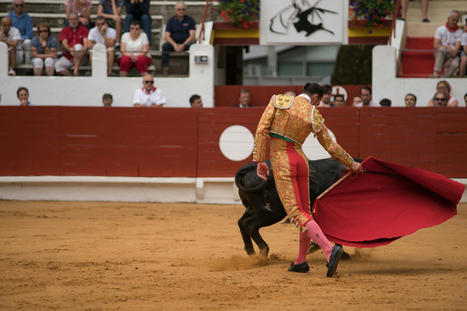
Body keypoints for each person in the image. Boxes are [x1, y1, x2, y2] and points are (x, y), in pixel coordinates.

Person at [253, 82, 363, 277]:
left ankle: (329, 250)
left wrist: (261, 160)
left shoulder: (279, 101)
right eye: (319, 101)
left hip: (282, 159)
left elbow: (262, 130)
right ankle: (300, 261)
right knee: (305, 211)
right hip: (301, 161)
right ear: (314, 98)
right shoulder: (314, 114)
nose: (318, 104)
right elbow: (330, 146)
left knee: (296, 213)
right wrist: (351, 162)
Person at [161, 1, 196, 75]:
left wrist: (183, 45)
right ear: (175, 10)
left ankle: (191, 70)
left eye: (183, 9)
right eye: (179, 9)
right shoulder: (171, 21)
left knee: (193, 47)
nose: (181, 11)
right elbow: (166, 36)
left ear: (185, 10)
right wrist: (175, 45)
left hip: (186, 44)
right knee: (165, 46)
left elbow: (192, 36)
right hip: (174, 44)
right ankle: (165, 69)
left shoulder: (190, 20)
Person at [431, 9, 462, 78]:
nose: (455, 22)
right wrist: (447, 47)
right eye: (453, 20)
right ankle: (436, 73)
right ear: (448, 19)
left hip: (452, 53)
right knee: (441, 50)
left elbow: (457, 48)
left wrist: (450, 59)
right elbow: (435, 45)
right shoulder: (440, 29)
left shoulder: (459, 31)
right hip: (442, 51)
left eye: (457, 20)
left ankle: (444, 77)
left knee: (455, 63)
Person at [8, 0, 32, 65]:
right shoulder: (9, 17)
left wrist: (21, 39)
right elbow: (7, 30)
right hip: (13, 39)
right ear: (14, 6)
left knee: (28, 42)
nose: (19, 7)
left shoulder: (28, 18)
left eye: (21, 5)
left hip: (23, 40)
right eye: (17, 5)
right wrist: (16, 39)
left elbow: (29, 33)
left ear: (23, 6)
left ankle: (28, 64)